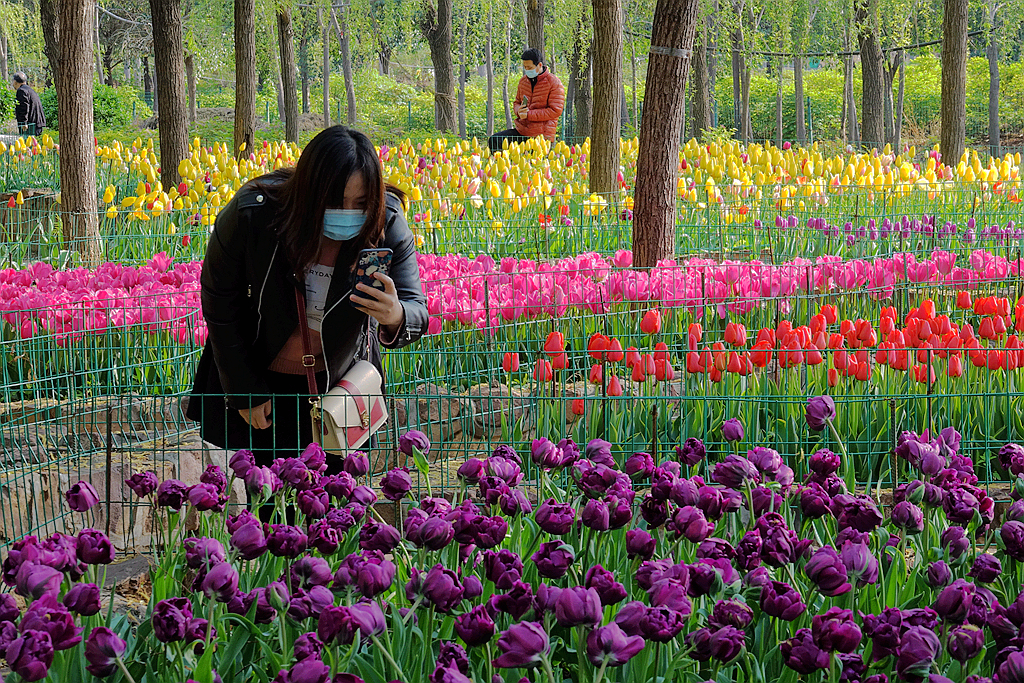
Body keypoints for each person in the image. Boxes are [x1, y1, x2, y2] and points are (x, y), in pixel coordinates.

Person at [186, 125, 428, 472]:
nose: (347, 212)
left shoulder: (385, 223)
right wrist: (244, 389)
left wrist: (395, 315)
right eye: (334, 201)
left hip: (339, 389)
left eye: (359, 203)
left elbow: (416, 311)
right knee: (266, 506)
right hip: (261, 380)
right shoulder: (254, 215)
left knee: (334, 508)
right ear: (309, 191)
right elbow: (220, 302)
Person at [487, 48, 564, 153]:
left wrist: (529, 114)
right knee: (495, 140)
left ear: (539, 65)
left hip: (541, 135)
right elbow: (516, 102)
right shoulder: (523, 81)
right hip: (521, 130)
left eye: (529, 67)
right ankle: (501, 167)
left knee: (532, 164)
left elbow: (556, 111)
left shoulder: (554, 83)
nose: (527, 69)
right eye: (525, 67)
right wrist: (519, 110)